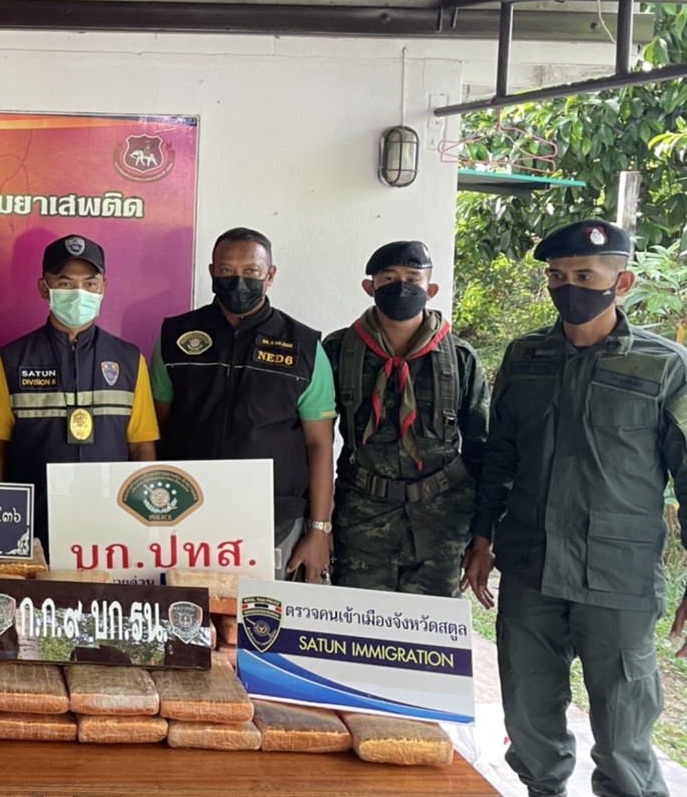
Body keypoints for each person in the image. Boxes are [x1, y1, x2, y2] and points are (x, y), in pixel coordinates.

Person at [464, 219, 687, 797]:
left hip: (618, 576)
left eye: (585, 276)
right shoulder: (526, 356)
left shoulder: (665, 366)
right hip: (531, 567)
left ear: (623, 282)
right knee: (528, 716)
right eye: (558, 276)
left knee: (623, 734)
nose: (569, 288)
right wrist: (481, 538)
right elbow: (500, 456)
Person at [151, 226, 336, 582]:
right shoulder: (175, 337)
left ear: (270, 275)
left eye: (251, 271)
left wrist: (319, 529)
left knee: (261, 615)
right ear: (212, 272)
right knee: (189, 612)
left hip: (275, 521)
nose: (238, 281)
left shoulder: (304, 347)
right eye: (227, 270)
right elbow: (155, 429)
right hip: (187, 515)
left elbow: (320, 443)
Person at [323, 240, 488, 597]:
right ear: (370, 287)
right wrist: (318, 525)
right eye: (389, 278)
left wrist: (483, 535)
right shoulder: (338, 351)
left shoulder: (460, 358)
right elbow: (314, 440)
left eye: (413, 279)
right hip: (362, 523)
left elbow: (482, 448)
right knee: (356, 625)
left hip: (442, 525)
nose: (401, 286)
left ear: (431, 289)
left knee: (432, 630)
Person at [0, 234, 158, 541]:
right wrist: (1, 519)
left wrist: (144, 520)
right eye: (65, 283)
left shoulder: (129, 360)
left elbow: (142, 446)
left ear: (103, 287)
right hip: (34, 523)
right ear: (44, 288)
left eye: (90, 284)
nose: (79, 293)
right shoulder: (12, 359)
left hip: (111, 523)